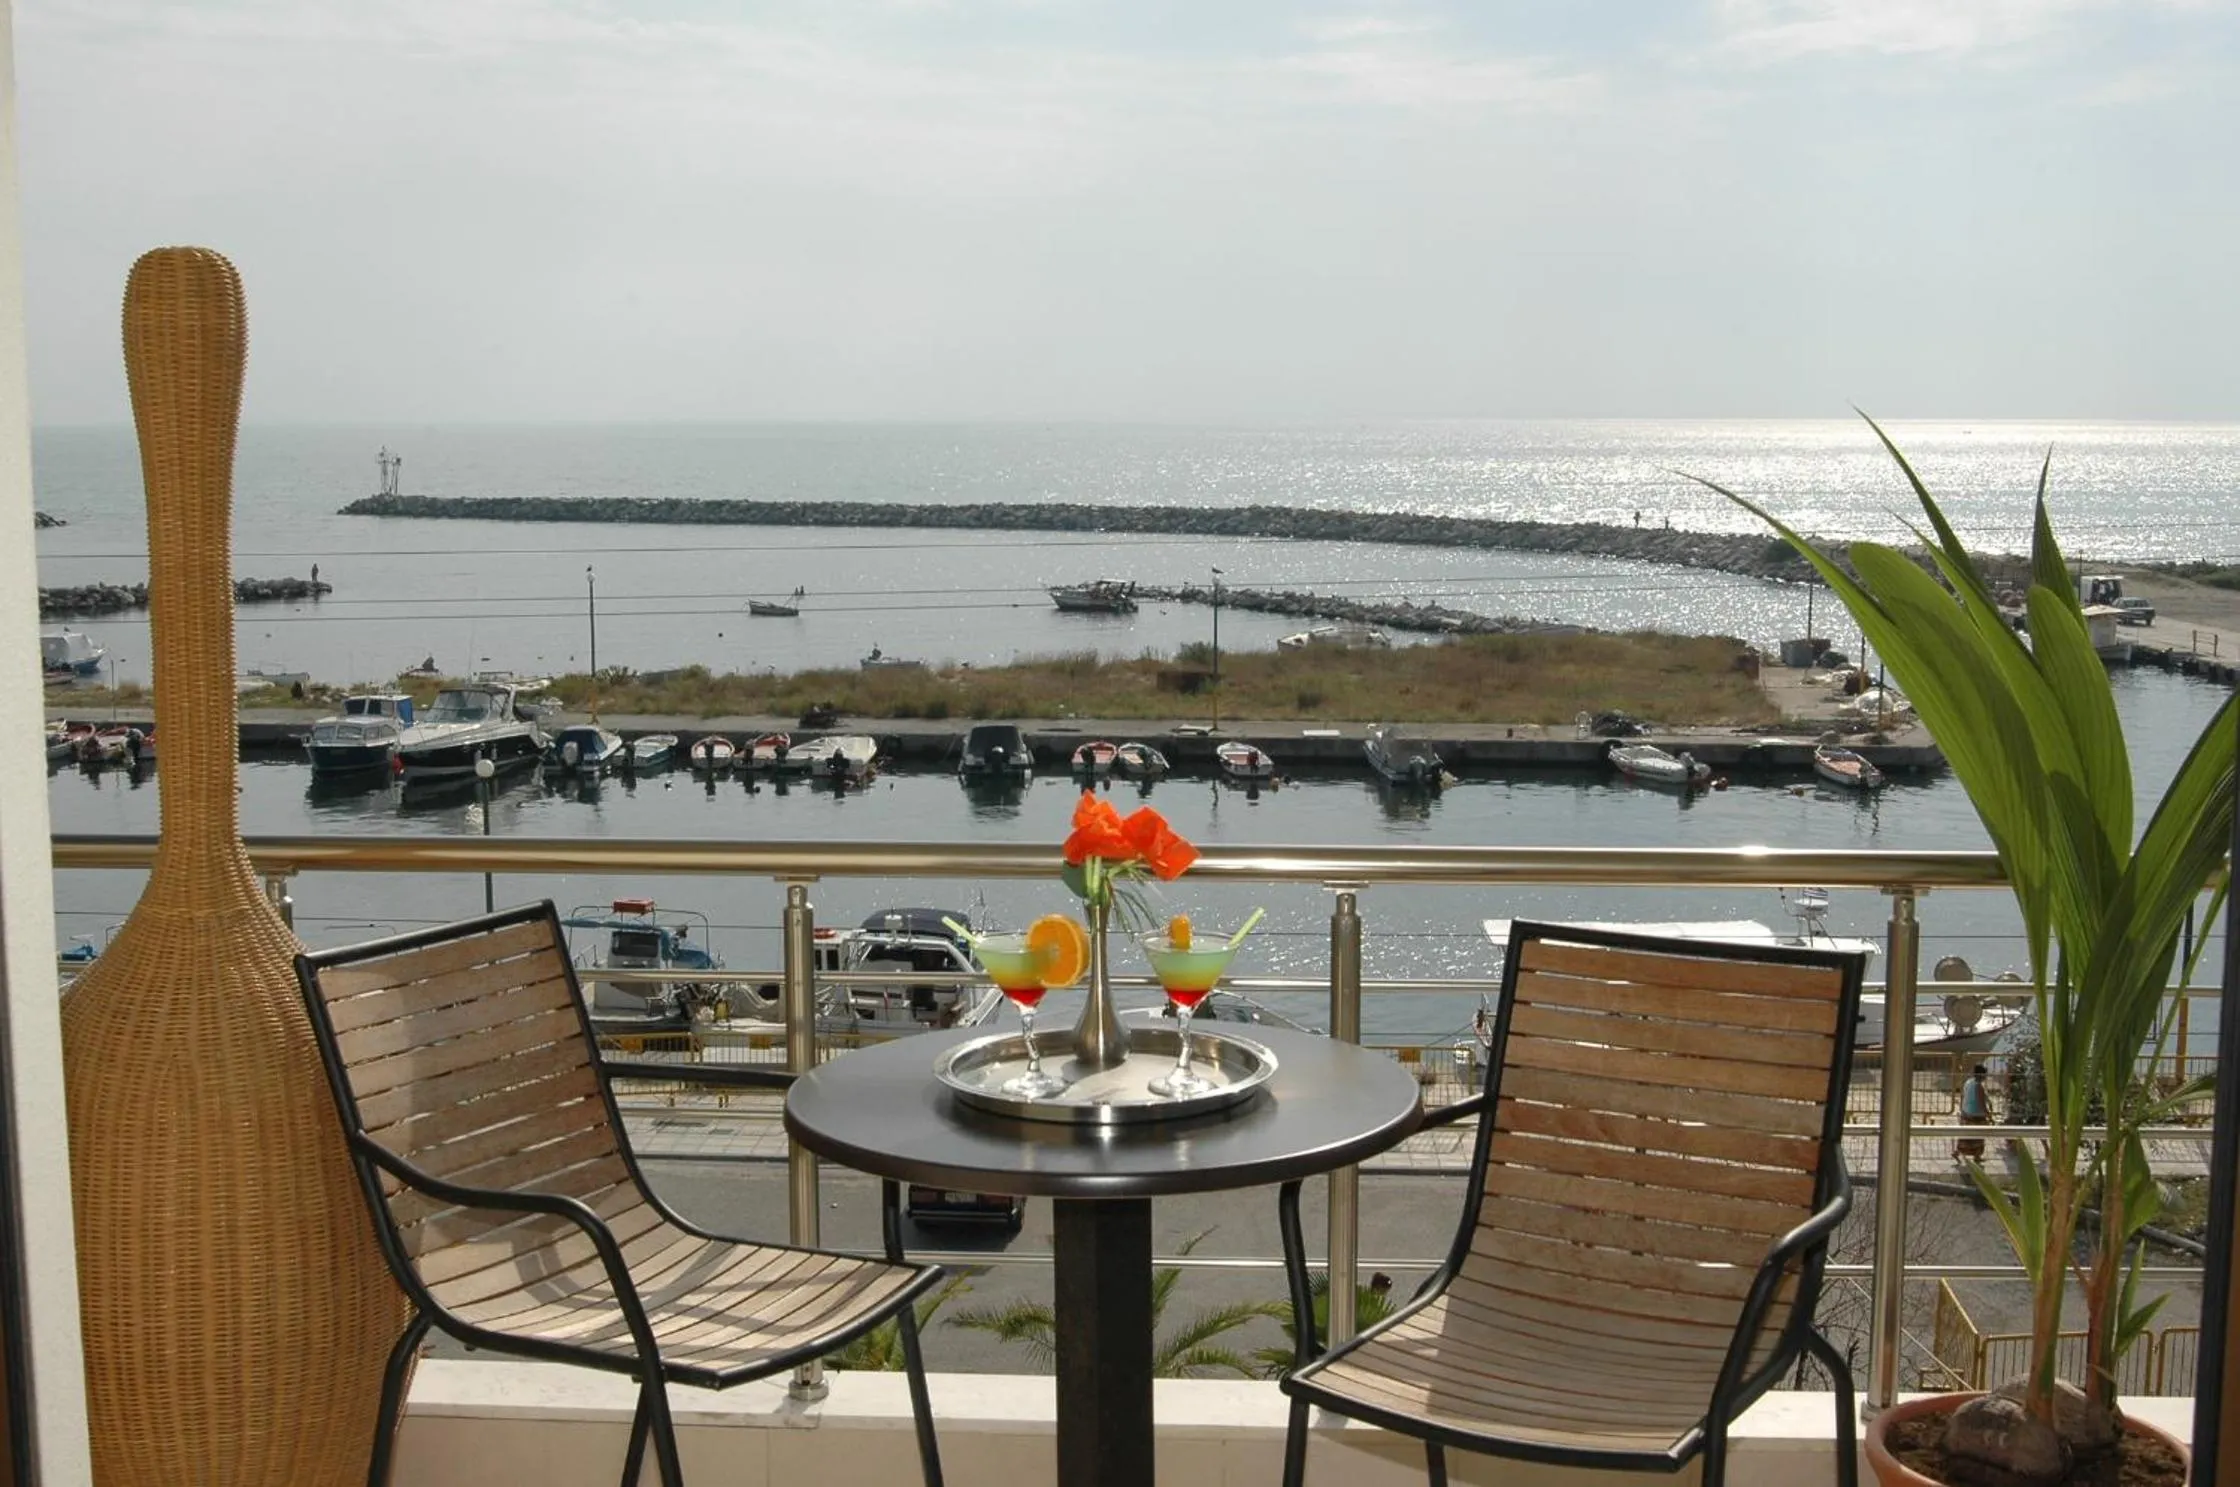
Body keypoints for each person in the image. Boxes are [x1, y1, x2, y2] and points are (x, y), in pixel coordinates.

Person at [1955, 1063, 1992, 1161]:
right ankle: (1977, 1156)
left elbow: (1963, 1096)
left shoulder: (1968, 1082)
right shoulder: (1979, 1086)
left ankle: (1957, 1152)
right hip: (1976, 1114)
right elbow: (1981, 1103)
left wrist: (1961, 1108)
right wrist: (1989, 1115)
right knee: (1978, 1135)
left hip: (1966, 1112)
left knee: (1965, 1136)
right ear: (1982, 1075)